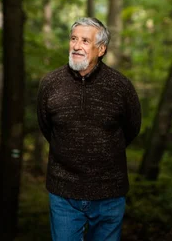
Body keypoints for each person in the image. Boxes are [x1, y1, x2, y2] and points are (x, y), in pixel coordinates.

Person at [37, 17, 141, 241]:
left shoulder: (121, 87)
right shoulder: (50, 84)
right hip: (63, 193)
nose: (76, 46)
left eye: (85, 40)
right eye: (73, 39)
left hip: (109, 193)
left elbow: (131, 129)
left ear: (101, 49)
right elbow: (47, 128)